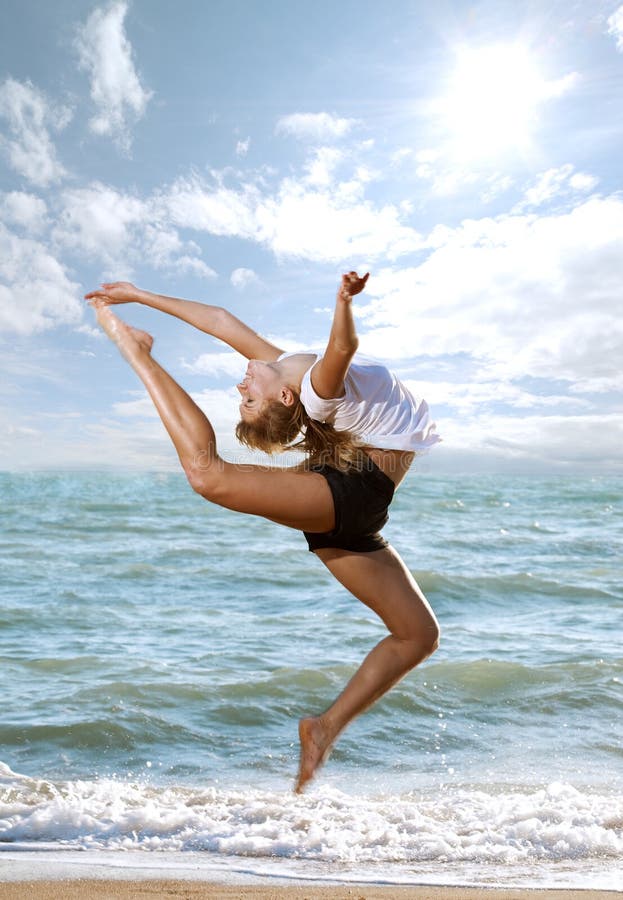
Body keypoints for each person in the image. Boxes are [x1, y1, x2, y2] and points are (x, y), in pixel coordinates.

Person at [85, 272, 441, 793]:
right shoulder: (318, 389)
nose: (241, 386)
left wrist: (139, 294)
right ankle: (137, 353)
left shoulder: (285, 369)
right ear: (289, 399)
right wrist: (342, 300)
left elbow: (221, 322)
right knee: (208, 475)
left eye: (245, 396)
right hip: (346, 493)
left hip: (357, 503)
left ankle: (324, 729)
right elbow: (344, 343)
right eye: (249, 399)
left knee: (419, 635)